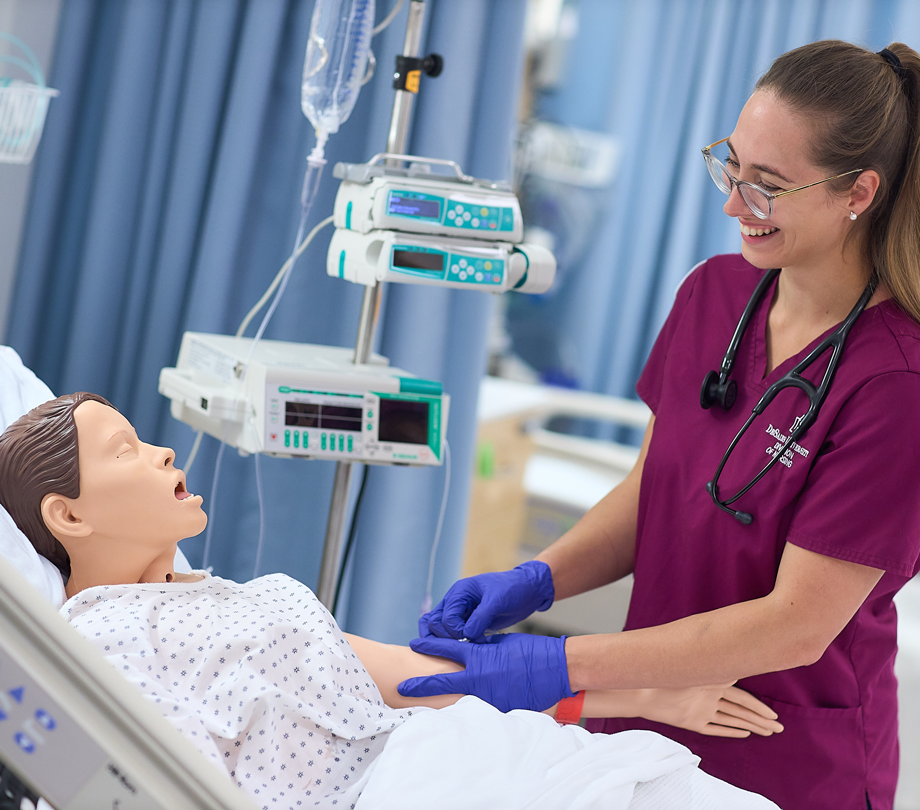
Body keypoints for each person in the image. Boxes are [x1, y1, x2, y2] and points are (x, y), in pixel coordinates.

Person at [399, 39, 920, 810]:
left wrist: (558, 665)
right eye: (731, 168)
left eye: (767, 187)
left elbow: (794, 627)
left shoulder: (897, 383)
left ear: (858, 192)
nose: (733, 205)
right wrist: (537, 580)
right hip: (639, 726)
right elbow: (655, 492)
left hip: (785, 752)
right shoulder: (713, 294)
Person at [0, 392, 782, 809]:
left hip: (456, 758)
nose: (164, 450)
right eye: (125, 452)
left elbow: (431, 681)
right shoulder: (96, 645)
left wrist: (647, 697)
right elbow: (164, 781)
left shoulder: (238, 598)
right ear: (68, 517)